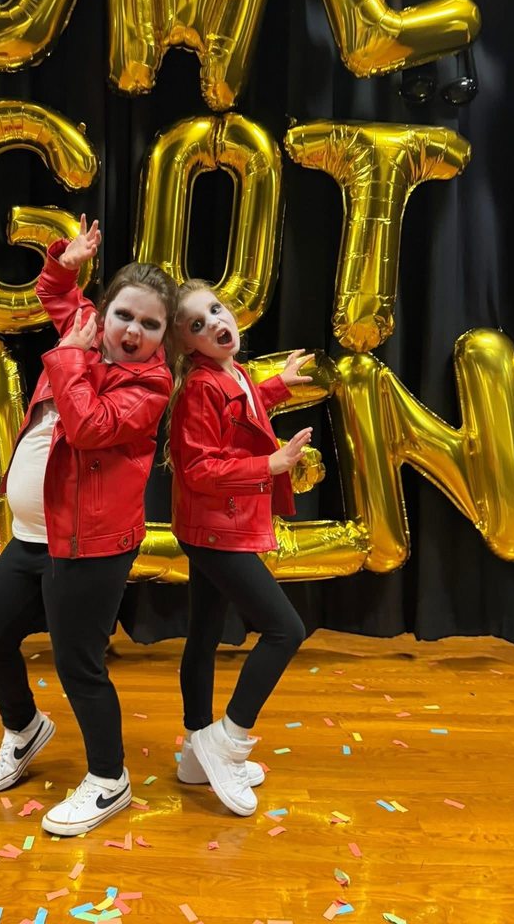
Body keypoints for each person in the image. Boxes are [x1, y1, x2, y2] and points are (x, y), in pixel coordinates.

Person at [0, 215, 176, 837]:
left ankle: (110, 779)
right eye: (125, 316)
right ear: (106, 313)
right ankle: (25, 729)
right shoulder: (84, 333)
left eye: (150, 324)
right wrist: (68, 261)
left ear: (163, 337)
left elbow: (86, 426)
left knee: (79, 662)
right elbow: (56, 293)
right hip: (35, 536)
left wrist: (70, 355)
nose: (133, 331)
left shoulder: (151, 383)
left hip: (90, 547)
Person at [167, 279, 313, 817]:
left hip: (211, 524)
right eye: (197, 325)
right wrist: (269, 466)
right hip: (213, 527)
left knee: (204, 634)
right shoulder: (196, 389)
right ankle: (225, 742)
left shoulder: (235, 374)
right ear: (186, 345)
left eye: (215, 310)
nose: (213, 324)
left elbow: (244, 404)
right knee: (285, 630)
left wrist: (277, 385)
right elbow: (198, 468)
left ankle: (193, 753)